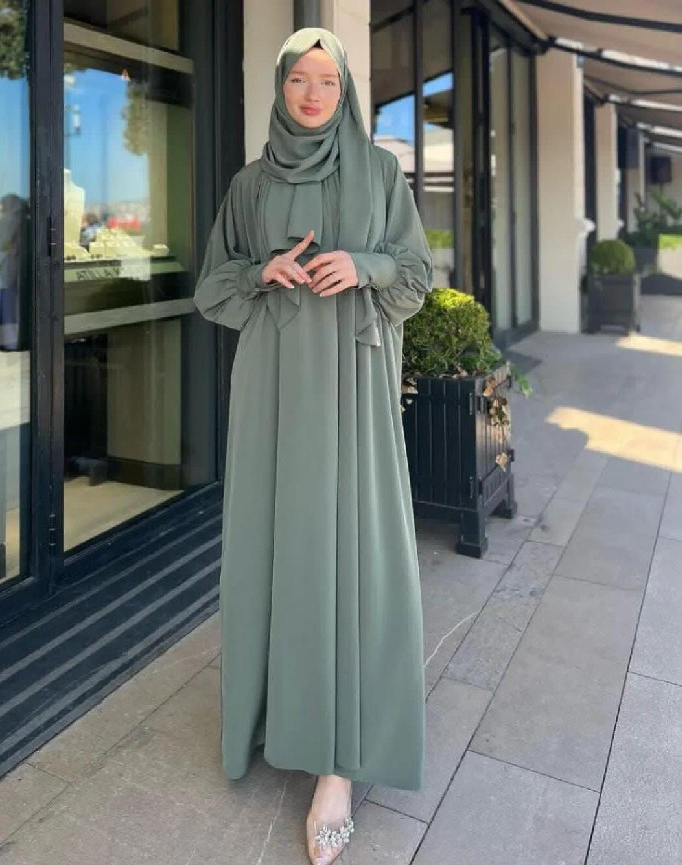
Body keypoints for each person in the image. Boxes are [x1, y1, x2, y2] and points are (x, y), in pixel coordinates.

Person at [193, 27, 433, 865]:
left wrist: (363, 265)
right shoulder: (251, 183)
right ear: (280, 86)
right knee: (279, 547)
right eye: (299, 78)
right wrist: (261, 272)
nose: (312, 94)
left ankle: (339, 765)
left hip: (352, 390)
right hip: (272, 388)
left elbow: (416, 273)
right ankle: (274, 715)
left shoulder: (380, 173)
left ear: (346, 91)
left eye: (327, 80)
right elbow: (210, 286)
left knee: (353, 553)